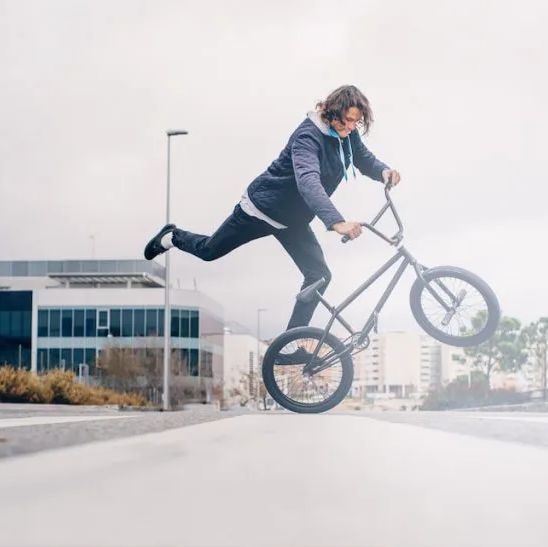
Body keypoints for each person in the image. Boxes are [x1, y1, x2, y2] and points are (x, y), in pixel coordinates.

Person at [142, 85, 401, 363]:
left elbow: (363, 158)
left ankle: (287, 346)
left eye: (355, 122)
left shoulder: (346, 135)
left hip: (293, 222)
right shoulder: (307, 137)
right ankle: (171, 236)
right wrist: (335, 221)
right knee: (209, 251)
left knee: (320, 275)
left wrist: (383, 171)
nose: (350, 127)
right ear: (331, 112)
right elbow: (308, 181)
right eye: (346, 120)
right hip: (260, 211)